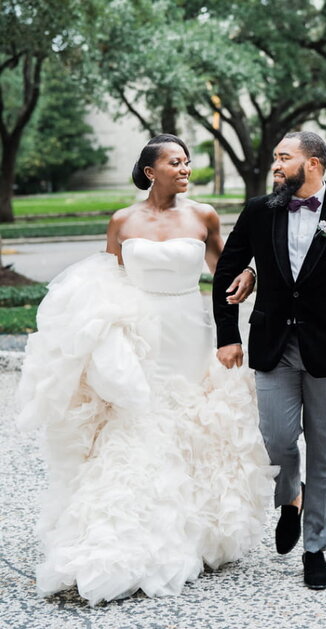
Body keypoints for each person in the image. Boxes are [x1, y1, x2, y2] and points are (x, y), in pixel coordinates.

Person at [17, 134, 274, 605]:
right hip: (139, 334)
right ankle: (134, 525)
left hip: (188, 328)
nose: (185, 168)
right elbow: (109, 278)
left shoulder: (203, 216)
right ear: (150, 171)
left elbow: (225, 271)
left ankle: (196, 526)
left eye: (187, 161)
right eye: (174, 162)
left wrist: (247, 286)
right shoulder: (122, 220)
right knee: (138, 422)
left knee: (192, 421)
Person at [213, 130, 326, 591]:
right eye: (275, 157)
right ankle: (290, 498)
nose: (275, 165)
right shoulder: (259, 211)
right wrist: (228, 334)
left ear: (312, 164)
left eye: (283, 157)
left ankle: (315, 548)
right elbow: (225, 271)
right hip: (273, 343)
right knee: (275, 441)